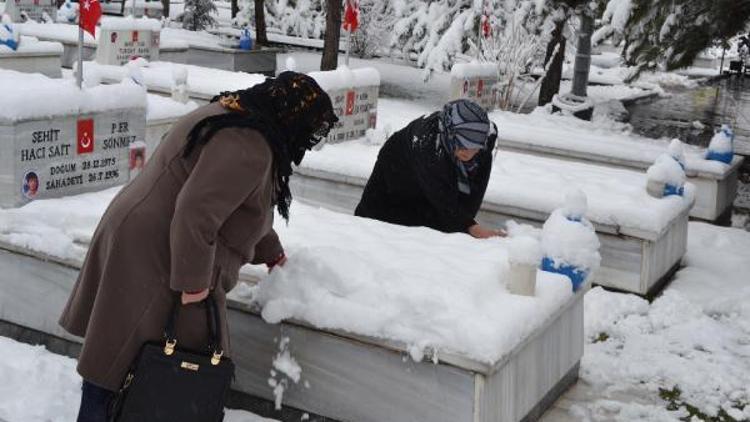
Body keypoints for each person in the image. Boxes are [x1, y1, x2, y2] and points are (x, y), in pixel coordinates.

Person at [58, 71, 338, 422]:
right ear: (291, 120)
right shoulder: (249, 145)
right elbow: (196, 213)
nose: (308, 143)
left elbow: (243, 204)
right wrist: (193, 285)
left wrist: (272, 252)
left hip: (144, 236)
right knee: (135, 364)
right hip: (159, 253)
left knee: (122, 356)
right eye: (309, 131)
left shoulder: (235, 116)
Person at [355, 99, 502, 239]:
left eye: (473, 146)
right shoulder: (427, 144)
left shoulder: (484, 142)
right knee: (374, 231)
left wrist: (468, 224)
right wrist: (470, 226)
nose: (467, 152)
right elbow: (442, 198)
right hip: (394, 181)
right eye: (461, 144)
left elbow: (474, 192)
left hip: (430, 189)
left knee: (444, 229)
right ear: (449, 134)